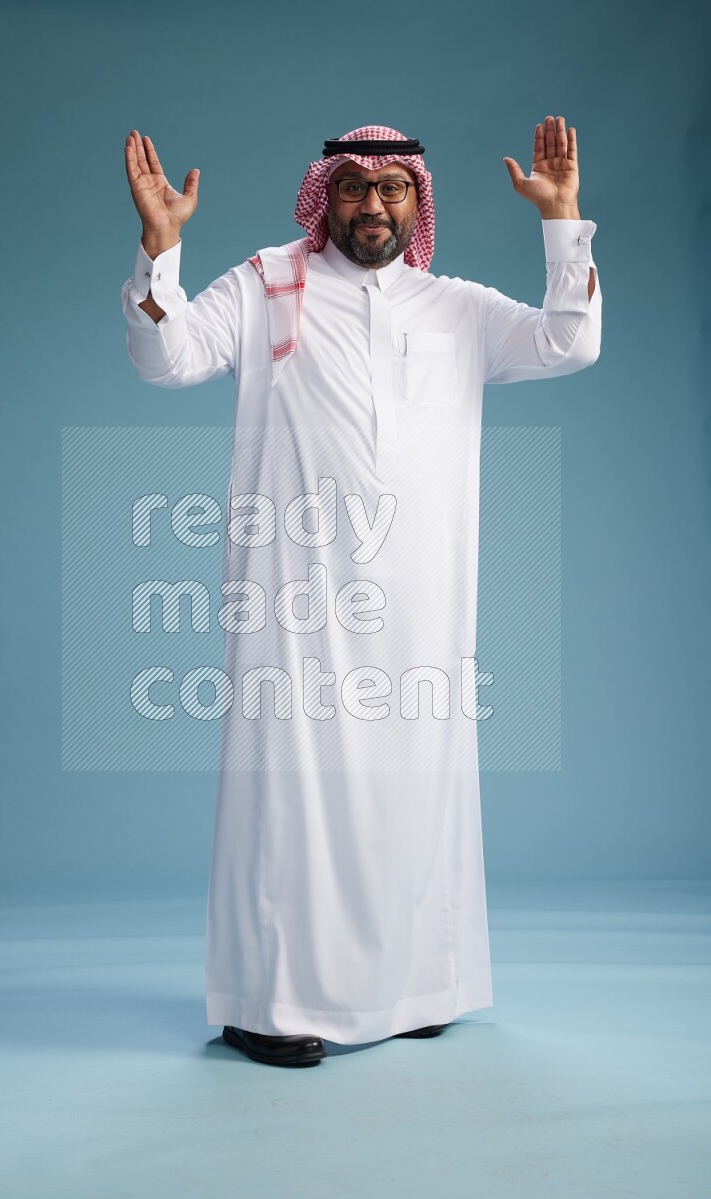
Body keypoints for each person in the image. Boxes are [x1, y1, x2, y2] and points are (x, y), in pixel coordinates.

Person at [121, 121, 601, 1068]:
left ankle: (416, 986)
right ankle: (268, 1001)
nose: (372, 205)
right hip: (294, 603)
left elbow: (567, 341)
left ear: (418, 203)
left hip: (423, 605)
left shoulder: (452, 305)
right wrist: (160, 248)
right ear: (323, 197)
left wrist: (563, 224)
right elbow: (164, 358)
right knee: (291, 800)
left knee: (415, 794)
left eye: (392, 190)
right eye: (353, 188)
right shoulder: (267, 283)